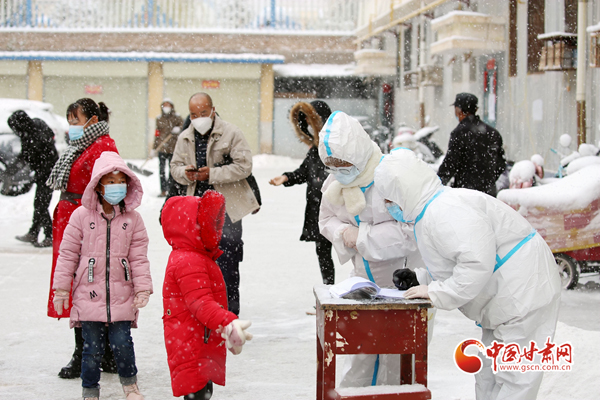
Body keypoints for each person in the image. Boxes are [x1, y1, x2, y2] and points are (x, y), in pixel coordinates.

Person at [374, 149, 561, 400]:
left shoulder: (445, 210)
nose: (387, 207)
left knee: (515, 377)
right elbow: (455, 260)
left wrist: (436, 292)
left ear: (402, 192)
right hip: (505, 296)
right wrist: (422, 278)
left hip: (523, 292)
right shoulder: (431, 210)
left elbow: (476, 263)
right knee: (488, 372)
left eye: (388, 199)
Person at [317, 111, 427, 387]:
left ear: (359, 154)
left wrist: (363, 236)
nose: (339, 172)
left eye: (344, 165)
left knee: (397, 354)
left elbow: (409, 229)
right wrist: (343, 233)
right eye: (332, 166)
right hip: (362, 280)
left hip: (401, 279)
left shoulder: (389, 177)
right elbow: (326, 219)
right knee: (360, 349)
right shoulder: (336, 183)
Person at [52, 151, 153, 400]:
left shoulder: (133, 219)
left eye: (121, 181)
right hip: (88, 293)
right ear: (98, 185)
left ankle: (130, 387)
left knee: (122, 344)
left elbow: (139, 258)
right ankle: (90, 392)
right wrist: (62, 289)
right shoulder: (80, 217)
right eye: (111, 181)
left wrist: (142, 288)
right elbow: (67, 255)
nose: (116, 186)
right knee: (92, 349)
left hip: (121, 294)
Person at [46, 98, 119, 379]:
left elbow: (111, 185)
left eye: (76, 119)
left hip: (84, 219)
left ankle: (88, 351)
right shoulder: (80, 146)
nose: (72, 125)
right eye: (70, 120)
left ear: (92, 120)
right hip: (68, 218)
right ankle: (102, 351)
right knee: (76, 282)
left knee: (87, 283)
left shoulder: (103, 146)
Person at [171, 92, 260, 316]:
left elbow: (244, 166)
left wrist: (212, 174)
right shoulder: (184, 138)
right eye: (193, 114)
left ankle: (230, 315)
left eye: (203, 112)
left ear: (212, 110)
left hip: (226, 211)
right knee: (197, 267)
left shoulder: (231, 133)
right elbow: (174, 169)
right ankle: (205, 314)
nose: (198, 118)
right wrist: (187, 174)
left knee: (228, 264)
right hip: (196, 211)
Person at [161, 192, 252, 400]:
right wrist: (227, 321)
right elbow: (200, 303)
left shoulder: (195, 255)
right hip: (192, 343)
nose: (215, 231)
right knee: (197, 391)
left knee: (203, 390)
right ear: (190, 228)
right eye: (209, 225)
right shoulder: (188, 261)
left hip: (197, 339)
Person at [269, 100, 335, 284]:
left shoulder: (337, 147)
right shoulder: (315, 150)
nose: (308, 125)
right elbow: (304, 172)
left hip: (339, 210)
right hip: (319, 211)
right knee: (323, 252)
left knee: (353, 251)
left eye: (310, 120)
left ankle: (360, 291)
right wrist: (286, 177)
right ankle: (329, 293)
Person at [437, 92, 506, 197]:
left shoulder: (459, 133)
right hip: (488, 195)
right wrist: (487, 180)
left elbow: (450, 164)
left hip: (466, 193)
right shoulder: (492, 133)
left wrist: (437, 185)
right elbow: (501, 164)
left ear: (458, 110)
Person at [7, 110, 59, 247]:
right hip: (47, 171)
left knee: (41, 205)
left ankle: (49, 234)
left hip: (48, 173)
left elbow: (26, 157)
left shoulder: (33, 137)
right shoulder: (35, 125)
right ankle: (34, 232)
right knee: (39, 203)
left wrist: (10, 171)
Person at [153, 99, 184, 197]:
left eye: (168, 105)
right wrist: (154, 148)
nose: (166, 108)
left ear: (172, 107)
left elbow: (184, 127)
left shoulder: (177, 117)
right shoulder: (159, 118)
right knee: (161, 170)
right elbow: (157, 133)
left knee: (172, 170)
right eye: (164, 105)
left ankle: (171, 189)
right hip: (162, 148)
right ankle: (163, 190)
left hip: (173, 148)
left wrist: (178, 129)